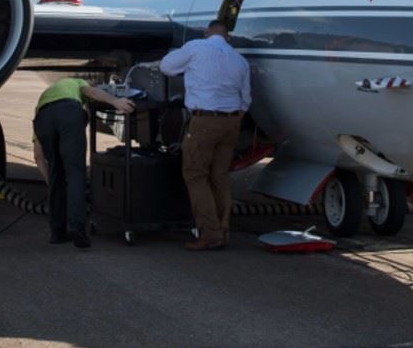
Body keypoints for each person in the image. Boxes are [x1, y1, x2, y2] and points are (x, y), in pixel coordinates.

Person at [158, 21, 251, 250]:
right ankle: (224, 229)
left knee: (195, 174)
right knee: (220, 176)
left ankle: (210, 233)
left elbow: (166, 67)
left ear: (207, 32)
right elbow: (246, 99)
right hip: (231, 122)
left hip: (204, 121)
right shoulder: (239, 60)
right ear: (227, 37)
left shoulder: (196, 47)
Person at [32, 77, 134, 249]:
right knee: (75, 173)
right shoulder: (76, 82)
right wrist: (115, 101)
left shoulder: (41, 104)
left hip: (44, 121)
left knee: (56, 173)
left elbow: (37, 155)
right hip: (69, 113)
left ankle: (57, 232)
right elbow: (91, 92)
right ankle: (77, 229)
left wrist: (50, 183)